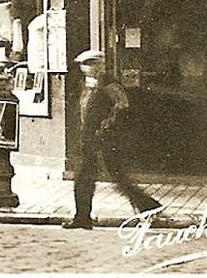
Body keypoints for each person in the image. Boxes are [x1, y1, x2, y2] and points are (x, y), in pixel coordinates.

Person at [65, 49, 162, 228]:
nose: (85, 68)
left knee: (117, 177)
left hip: (108, 138)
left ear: (98, 65)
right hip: (88, 138)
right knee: (85, 176)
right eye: (83, 65)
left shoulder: (110, 85)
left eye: (89, 64)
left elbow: (123, 107)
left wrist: (106, 126)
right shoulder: (85, 85)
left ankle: (149, 205)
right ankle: (82, 217)